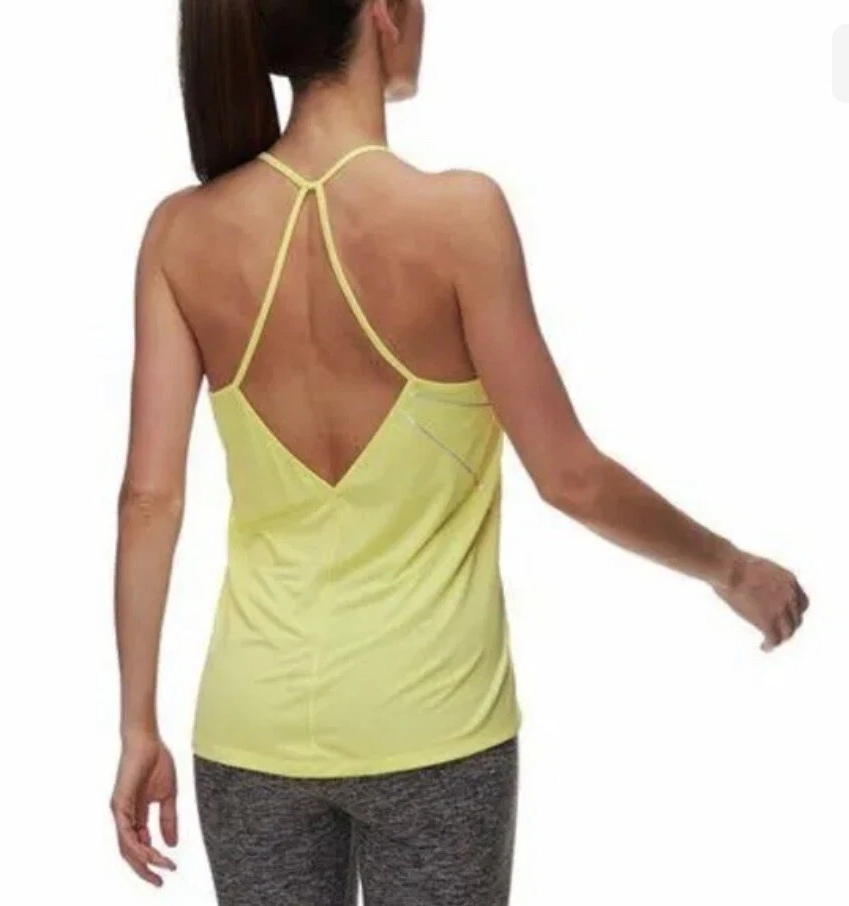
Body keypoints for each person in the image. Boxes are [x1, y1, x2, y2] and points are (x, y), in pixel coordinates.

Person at [109, 1, 809, 903]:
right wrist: (731, 569)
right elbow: (571, 476)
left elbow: (149, 502)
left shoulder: (181, 234)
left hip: (251, 730)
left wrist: (137, 725)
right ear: (381, 13)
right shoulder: (458, 217)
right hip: (434, 726)